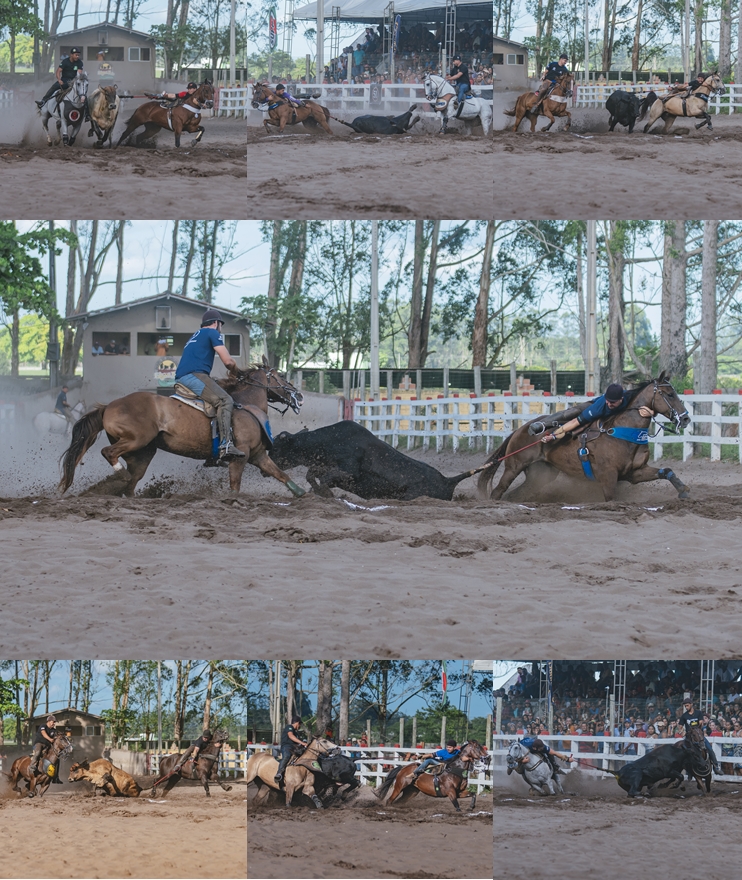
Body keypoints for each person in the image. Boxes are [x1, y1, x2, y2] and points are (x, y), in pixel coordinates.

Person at [174, 308, 245, 462]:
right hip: (194, 376)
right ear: (216, 323)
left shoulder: (196, 335)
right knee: (225, 400)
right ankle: (226, 445)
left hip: (185, 377)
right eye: (221, 325)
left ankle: (212, 454)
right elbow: (227, 361)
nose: (221, 328)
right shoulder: (213, 333)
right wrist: (236, 371)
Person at [542, 382, 654, 443]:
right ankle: (543, 424)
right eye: (608, 400)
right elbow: (575, 422)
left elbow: (651, 403)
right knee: (571, 415)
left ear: (621, 399)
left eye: (613, 402)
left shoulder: (630, 396)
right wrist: (554, 435)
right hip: (592, 406)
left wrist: (651, 412)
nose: (609, 404)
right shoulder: (598, 408)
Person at [678, 697, 721, 773]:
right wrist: (682, 732)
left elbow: (701, 723)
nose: (686, 707)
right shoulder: (684, 716)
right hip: (689, 737)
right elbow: (680, 726)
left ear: (691, 704)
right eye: (685, 706)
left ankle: (716, 766)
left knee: (709, 749)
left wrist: (699, 727)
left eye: (687, 705)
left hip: (699, 736)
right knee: (683, 751)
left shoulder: (698, 713)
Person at [274, 716, 307, 785]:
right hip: (287, 747)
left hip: (294, 748)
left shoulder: (296, 733)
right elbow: (291, 736)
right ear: (297, 723)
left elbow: (298, 741)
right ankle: (279, 773)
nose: (300, 726)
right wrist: (302, 743)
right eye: (299, 724)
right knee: (287, 756)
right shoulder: (289, 727)